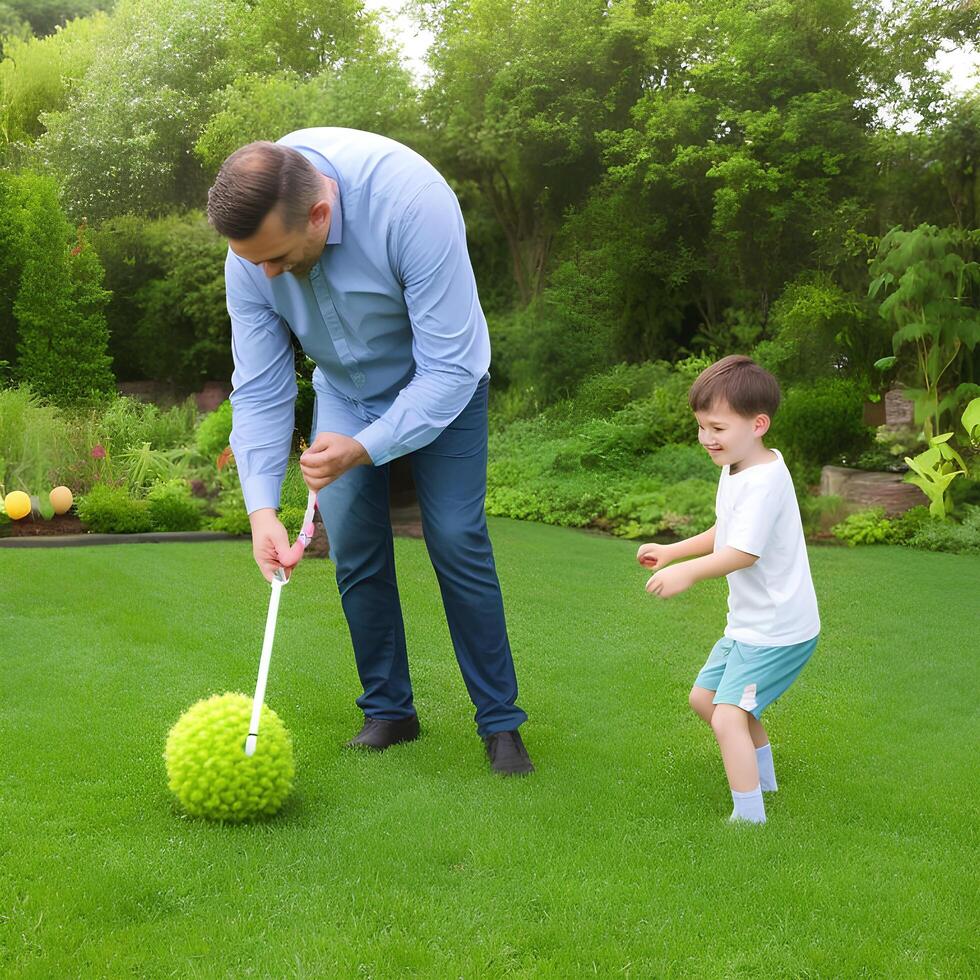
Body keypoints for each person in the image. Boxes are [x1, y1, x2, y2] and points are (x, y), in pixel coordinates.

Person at [206, 128, 532, 775]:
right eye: (253, 262)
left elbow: (448, 368)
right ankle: (390, 711)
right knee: (355, 546)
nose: (265, 274)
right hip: (345, 393)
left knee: (455, 537)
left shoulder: (413, 202)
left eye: (276, 258)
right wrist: (262, 510)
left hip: (444, 383)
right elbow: (263, 388)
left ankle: (500, 725)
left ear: (319, 214)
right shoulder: (250, 257)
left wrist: (366, 447)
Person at [636, 355, 819, 822]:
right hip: (750, 623)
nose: (705, 439)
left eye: (716, 428)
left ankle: (750, 815)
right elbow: (726, 532)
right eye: (701, 427)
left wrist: (690, 573)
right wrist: (673, 551)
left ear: (758, 424)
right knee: (706, 699)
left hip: (777, 628)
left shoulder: (764, 481)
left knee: (727, 715)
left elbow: (745, 553)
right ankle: (765, 779)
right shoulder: (738, 466)